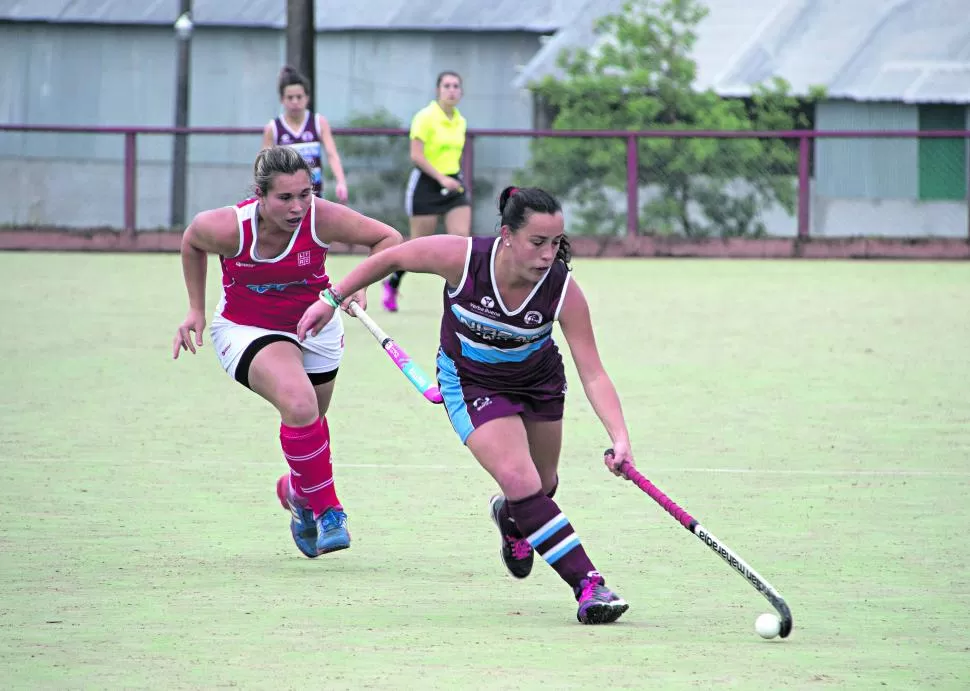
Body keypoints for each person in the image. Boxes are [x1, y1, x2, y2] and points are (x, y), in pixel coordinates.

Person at [299, 186, 634, 624]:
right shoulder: (463, 259)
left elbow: (593, 371)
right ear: (507, 235)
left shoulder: (562, 290)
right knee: (520, 478)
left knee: (543, 485)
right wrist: (331, 298)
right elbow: (391, 257)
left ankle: (512, 519)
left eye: (555, 242)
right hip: (471, 380)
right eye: (537, 242)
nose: (548, 254)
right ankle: (589, 584)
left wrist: (619, 435)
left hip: (539, 383)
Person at [172, 146, 402, 559]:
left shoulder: (322, 217)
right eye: (285, 198)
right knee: (299, 404)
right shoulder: (228, 228)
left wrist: (353, 287)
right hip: (248, 327)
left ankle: (297, 493)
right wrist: (195, 308)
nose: (297, 207)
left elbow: (388, 239)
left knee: (311, 422)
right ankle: (328, 510)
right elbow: (192, 241)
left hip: (317, 324)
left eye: (305, 194)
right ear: (259, 196)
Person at [382, 70, 471, 312]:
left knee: (461, 241)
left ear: (461, 92)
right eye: (447, 86)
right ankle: (392, 283)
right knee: (418, 246)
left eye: (456, 86)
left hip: (453, 184)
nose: (451, 90)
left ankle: (460, 298)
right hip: (427, 184)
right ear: (438, 90)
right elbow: (416, 156)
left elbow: (453, 155)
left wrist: (451, 177)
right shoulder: (425, 117)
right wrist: (441, 178)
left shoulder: (460, 121)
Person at [262, 66, 349, 202]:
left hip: (315, 196)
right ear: (282, 100)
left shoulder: (318, 122)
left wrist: (341, 182)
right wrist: (263, 192)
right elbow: (263, 164)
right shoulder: (273, 128)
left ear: (307, 98)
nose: (295, 102)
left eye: (299, 97)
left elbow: (332, 154)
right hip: (286, 198)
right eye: (290, 98)